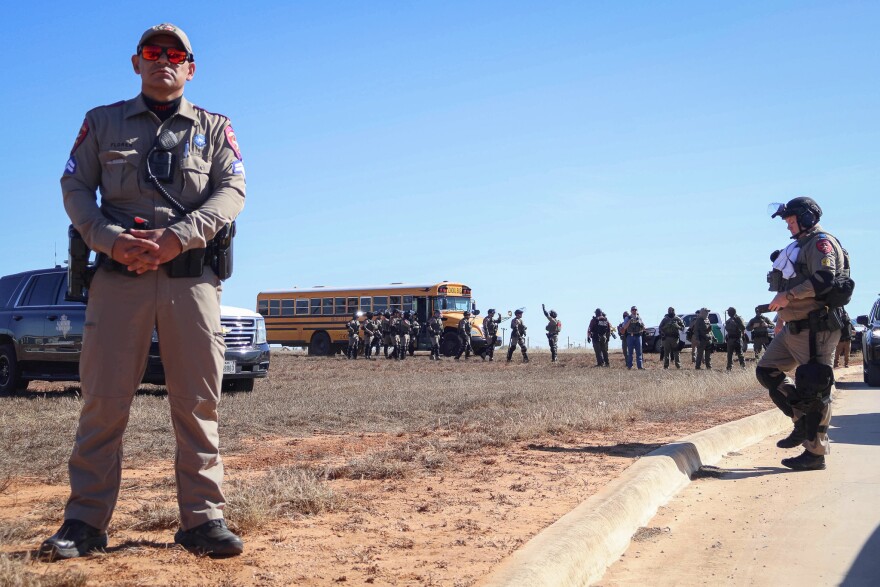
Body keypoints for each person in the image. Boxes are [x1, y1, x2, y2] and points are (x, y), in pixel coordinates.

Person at [42, 24, 245, 560]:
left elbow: (233, 190)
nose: (164, 61)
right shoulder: (101, 122)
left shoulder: (215, 127)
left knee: (199, 401)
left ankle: (203, 520)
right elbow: (75, 186)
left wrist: (179, 238)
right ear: (136, 63)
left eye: (174, 54)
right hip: (118, 281)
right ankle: (84, 522)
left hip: (191, 280)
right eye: (153, 53)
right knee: (104, 401)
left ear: (190, 67)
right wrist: (109, 239)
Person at [757, 196, 850, 471]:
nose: (787, 226)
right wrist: (780, 315)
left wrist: (789, 296)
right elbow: (791, 283)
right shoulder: (800, 244)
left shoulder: (821, 243)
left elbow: (825, 279)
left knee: (814, 387)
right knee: (767, 370)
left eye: (791, 220)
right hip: (793, 327)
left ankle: (815, 453)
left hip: (816, 328)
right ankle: (800, 423)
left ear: (807, 218)